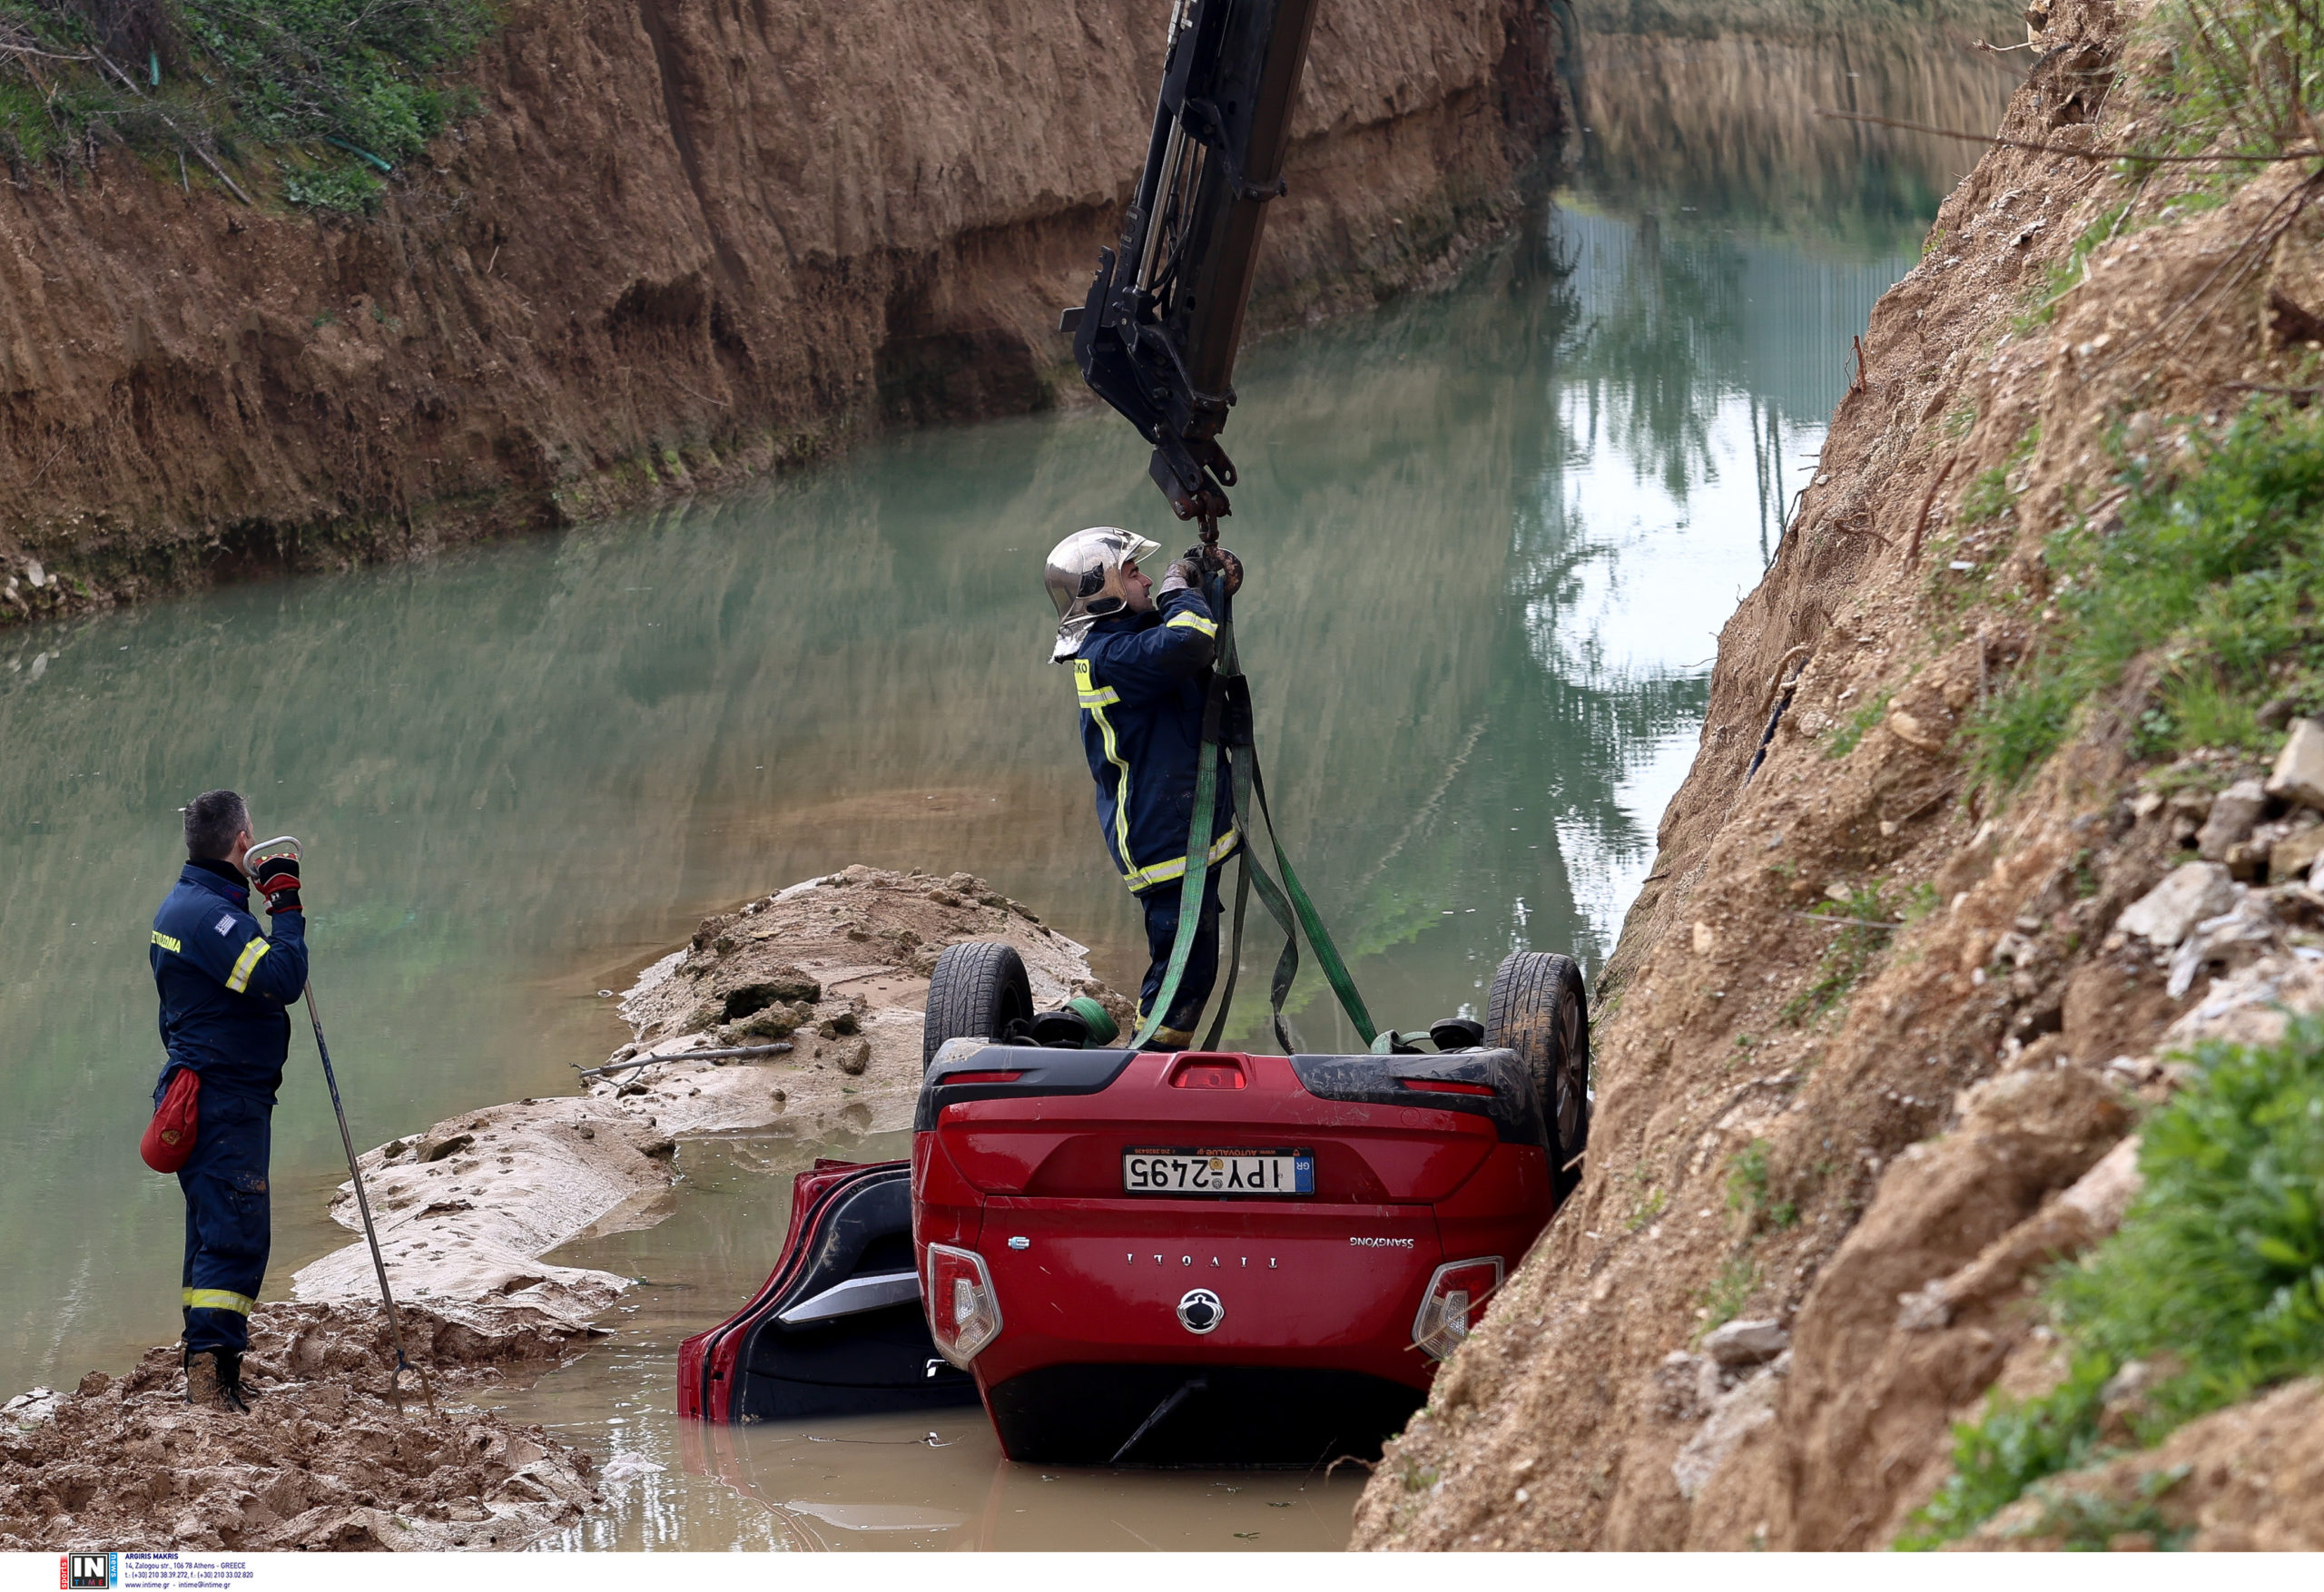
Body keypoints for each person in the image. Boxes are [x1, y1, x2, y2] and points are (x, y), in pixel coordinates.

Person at [1045, 527, 1245, 1048]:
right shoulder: (1111, 656)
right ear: (1106, 590)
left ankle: (1152, 1057)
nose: (1150, 579)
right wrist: (1182, 587)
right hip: (1161, 836)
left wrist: (1207, 584)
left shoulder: (1128, 640)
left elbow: (1187, 636)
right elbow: (1187, 640)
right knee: (1185, 965)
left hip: (1182, 827)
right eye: (1135, 573)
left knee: (1192, 956)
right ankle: (1150, 1060)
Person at [149, 790, 307, 1411]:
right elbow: (282, 979)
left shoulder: (189, 905)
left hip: (211, 1092)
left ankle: (208, 1365)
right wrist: (288, 907)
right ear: (243, 841)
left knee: (212, 1231)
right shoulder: (210, 920)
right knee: (235, 1235)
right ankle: (213, 1383)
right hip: (223, 1100)